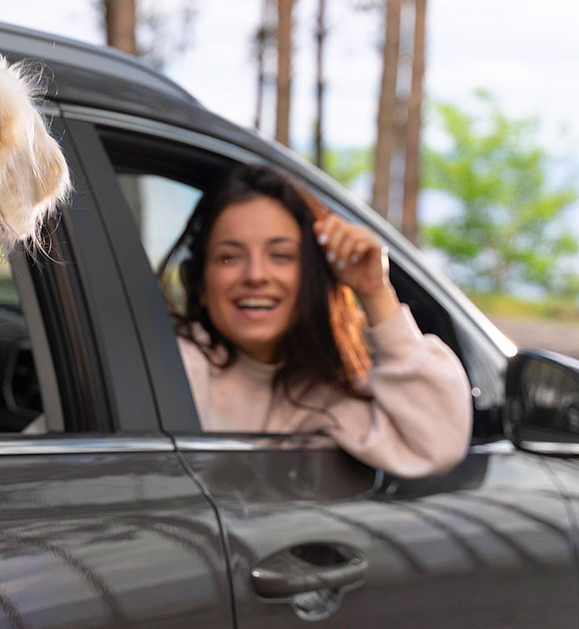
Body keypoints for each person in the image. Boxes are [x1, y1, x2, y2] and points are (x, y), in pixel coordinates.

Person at [162, 165, 472, 478]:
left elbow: (438, 446)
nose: (255, 275)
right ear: (201, 285)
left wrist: (376, 294)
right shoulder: (174, 368)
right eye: (229, 257)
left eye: (281, 255)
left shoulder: (326, 391)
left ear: (311, 276)